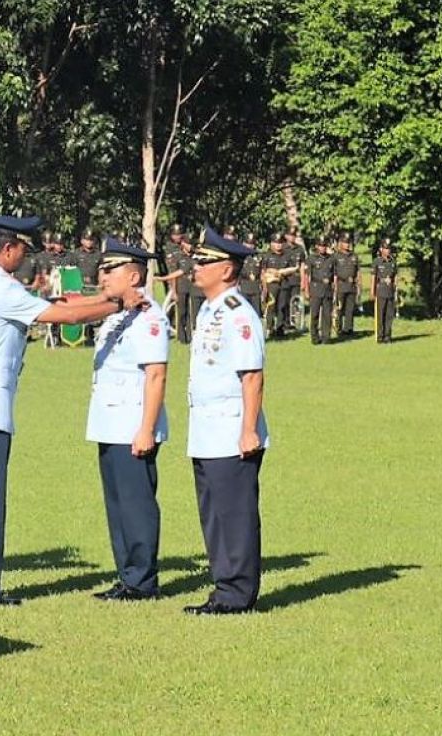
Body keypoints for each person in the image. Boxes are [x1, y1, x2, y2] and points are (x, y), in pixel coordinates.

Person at [0, 215, 128, 607]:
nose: (27, 258)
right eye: (23, 250)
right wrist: (118, 304)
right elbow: (67, 316)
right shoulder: (0, 288)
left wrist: (103, 300)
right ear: (8, 249)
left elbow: (57, 303)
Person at [183, 227, 269, 615]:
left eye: (205, 262)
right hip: (206, 428)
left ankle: (238, 594)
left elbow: (251, 375)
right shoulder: (209, 309)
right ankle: (223, 588)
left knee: (234, 513)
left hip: (233, 428)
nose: (196, 267)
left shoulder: (239, 314)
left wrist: (249, 429)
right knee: (214, 513)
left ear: (228, 270)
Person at [86, 237, 170, 602]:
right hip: (109, 424)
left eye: (110, 270)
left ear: (134, 275)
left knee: (136, 506)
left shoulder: (149, 316)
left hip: (133, 425)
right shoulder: (118, 313)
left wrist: (147, 429)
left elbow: (156, 375)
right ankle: (127, 575)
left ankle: (142, 581)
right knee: (118, 506)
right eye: (102, 270)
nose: (102, 276)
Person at [156, 233, 196, 344]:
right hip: (180, 285)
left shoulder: (190, 255)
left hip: (191, 285)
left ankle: (188, 335)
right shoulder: (175, 253)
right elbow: (173, 272)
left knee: (189, 312)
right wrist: (173, 290)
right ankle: (181, 336)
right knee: (181, 312)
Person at [304, 236, 336, 344]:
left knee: (327, 315)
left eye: (324, 245)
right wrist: (306, 291)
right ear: (317, 246)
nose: (323, 248)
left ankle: (326, 337)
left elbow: (334, 276)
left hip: (327, 291)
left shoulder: (331, 259)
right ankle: (315, 337)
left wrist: (335, 289)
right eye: (321, 245)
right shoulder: (311, 258)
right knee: (314, 315)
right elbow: (307, 276)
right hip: (316, 289)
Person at [260, 233, 292, 337]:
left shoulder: (287, 255)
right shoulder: (266, 256)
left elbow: (293, 269)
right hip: (271, 285)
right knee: (271, 307)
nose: (278, 245)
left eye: (280, 243)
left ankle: (280, 328)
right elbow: (263, 273)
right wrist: (264, 287)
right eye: (276, 243)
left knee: (282, 307)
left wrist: (282, 272)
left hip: (284, 284)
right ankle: (270, 328)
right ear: (271, 243)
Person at [333, 232, 359, 338]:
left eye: (348, 242)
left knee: (350, 309)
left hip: (352, 287)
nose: (347, 245)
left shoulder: (354, 256)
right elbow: (334, 273)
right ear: (340, 243)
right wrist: (334, 287)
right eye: (345, 242)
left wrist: (359, 286)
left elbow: (358, 272)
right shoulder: (336, 256)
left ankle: (348, 329)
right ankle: (338, 329)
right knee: (339, 309)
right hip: (341, 285)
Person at [372, 239, 398, 343]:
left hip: (390, 291)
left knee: (389, 315)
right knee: (380, 315)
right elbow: (373, 278)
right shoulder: (377, 261)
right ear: (381, 249)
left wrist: (396, 290)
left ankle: (388, 336)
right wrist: (372, 292)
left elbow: (395, 276)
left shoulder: (393, 262)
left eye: (389, 248)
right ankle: (380, 336)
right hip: (380, 290)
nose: (387, 251)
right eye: (385, 248)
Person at [237, 232, 264, 317]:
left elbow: (262, 271)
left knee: (256, 313)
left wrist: (264, 287)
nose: (250, 246)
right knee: (243, 313)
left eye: (252, 244)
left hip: (256, 288)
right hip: (243, 287)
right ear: (243, 243)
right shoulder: (239, 256)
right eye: (248, 243)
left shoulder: (259, 255)